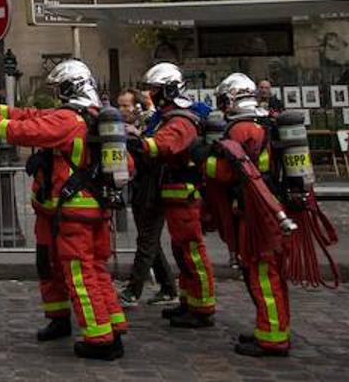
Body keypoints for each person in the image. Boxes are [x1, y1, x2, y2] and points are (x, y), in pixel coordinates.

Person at [0, 60, 126, 361]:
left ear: (69, 88)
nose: (57, 95)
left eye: (59, 88)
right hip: (75, 209)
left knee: (80, 273)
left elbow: (24, 130)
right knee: (71, 268)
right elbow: (30, 114)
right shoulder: (90, 116)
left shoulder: (68, 120)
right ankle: (97, 322)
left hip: (71, 211)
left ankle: (101, 339)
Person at [202, 73, 291, 357]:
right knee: (268, 272)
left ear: (231, 98)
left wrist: (205, 160)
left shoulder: (241, 129)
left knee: (263, 273)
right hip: (269, 204)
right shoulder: (265, 121)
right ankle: (271, 330)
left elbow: (230, 173)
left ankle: (272, 338)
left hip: (255, 211)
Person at [133, 62, 216, 328]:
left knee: (192, 250)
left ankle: (202, 307)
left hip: (185, 195)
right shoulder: (169, 116)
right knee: (181, 250)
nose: (151, 96)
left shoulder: (180, 119)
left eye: (155, 90)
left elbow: (162, 145)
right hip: (174, 194)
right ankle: (188, 300)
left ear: (168, 90)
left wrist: (131, 140)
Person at [117, 87, 178, 308]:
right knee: (151, 242)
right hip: (141, 189)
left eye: (126, 105)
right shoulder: (127, 127)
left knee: (146, 241)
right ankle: (168, 287)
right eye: (120, 105)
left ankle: (133, 290)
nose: (122, 110)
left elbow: (151, 156)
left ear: (138, 105)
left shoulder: (150, 126)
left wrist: (135, 140)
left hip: (154, 190)